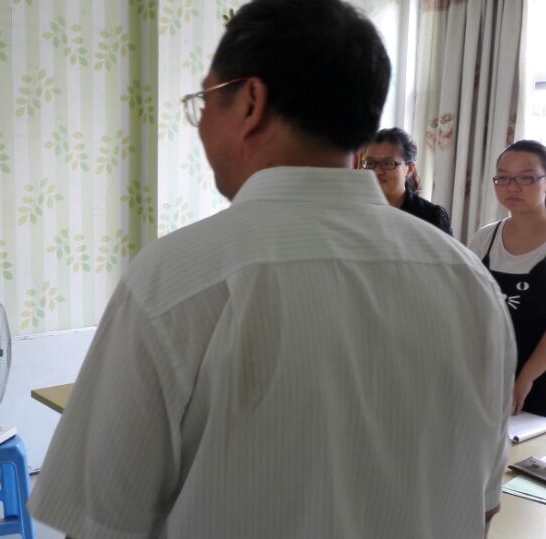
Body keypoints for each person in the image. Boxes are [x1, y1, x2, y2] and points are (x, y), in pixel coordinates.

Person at [28, 1, 514, 537]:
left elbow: (99, 523)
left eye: (206, 100)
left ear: (250, 103)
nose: (201, 122)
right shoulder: (471, 284)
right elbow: (482, 507)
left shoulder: (175, 279)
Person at [468, 139, 546, 434]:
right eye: (503, 178)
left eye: (526, 178)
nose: (512, 187)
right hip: (496, 366)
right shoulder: (484, 238)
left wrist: (526, 377)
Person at [361, 127, 453, 234]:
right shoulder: (355, 211)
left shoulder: (431, 217)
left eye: (388, 163)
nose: (376, 172)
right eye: (370, 163)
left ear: (409, 169)